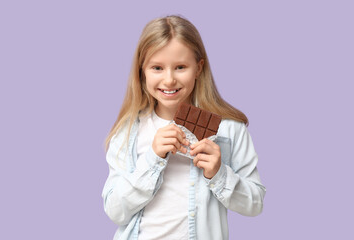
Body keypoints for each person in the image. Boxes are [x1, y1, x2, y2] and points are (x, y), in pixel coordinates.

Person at [102, 15, 266, 240]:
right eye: (157, 68)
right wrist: (152, 159)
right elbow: (114, 211)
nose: (169, 80)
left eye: (180, 67)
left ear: (198, 68)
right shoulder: (128, 132)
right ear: (142, 71)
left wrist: (218, 174)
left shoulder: (229, 130)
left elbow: (255, 203)